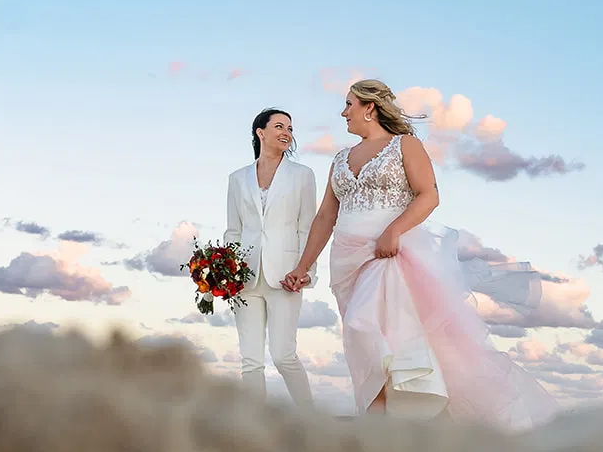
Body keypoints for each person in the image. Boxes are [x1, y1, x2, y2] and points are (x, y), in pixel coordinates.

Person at [282, 79, 558, 430]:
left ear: (370, 107)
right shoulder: (339, 159)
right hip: (346, 261)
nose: (343, 112)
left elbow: (428, 195)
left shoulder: (404, 145)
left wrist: (393, 231)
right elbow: (325, 216)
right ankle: (378, 427)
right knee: (368, 347)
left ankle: (417, 421)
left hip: (389, 255)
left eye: (349, 104)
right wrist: (302, 267)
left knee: (364, 328)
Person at [223, 108, 318, 408]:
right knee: (250, 360)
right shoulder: (237, 179)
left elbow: (308, 226)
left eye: (289, 127)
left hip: (286, 275)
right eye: (279, 126)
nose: (286, 132)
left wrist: (305, 271)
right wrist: (228, 273)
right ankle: (256, 426)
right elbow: (233, 230)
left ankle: (310, 418)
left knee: (283, 355)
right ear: (260, 133)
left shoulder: (303, 175)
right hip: (245, 280)